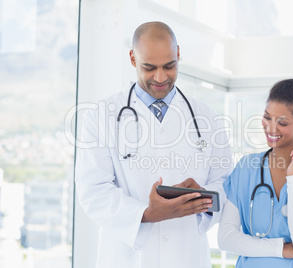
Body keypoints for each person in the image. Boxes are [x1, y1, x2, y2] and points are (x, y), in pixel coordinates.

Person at [75, 21, 232, 268]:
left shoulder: (208, 118)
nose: (160, 77)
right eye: (149, 67)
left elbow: (226, 183)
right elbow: (93, 190)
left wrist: (203, 196)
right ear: (132, 58)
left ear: (178, 54)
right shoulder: (102, 115)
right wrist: (146, 215)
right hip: (128, 259)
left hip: (187, 256)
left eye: (169, 66)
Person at [218, 79, 293, 267]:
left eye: (282, 122)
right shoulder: (246, 167)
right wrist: (281, 250)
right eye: (267, 117)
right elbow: (226, 238)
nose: (271, 128)